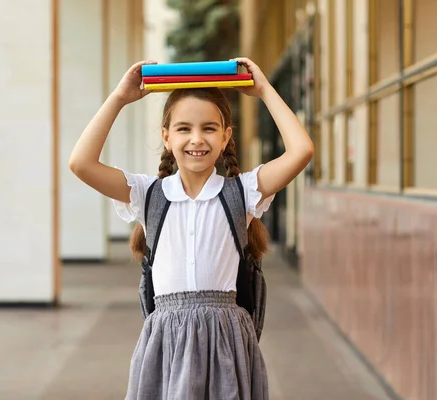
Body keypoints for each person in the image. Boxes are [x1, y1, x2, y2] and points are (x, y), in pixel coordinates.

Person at [69, 57, 314, 400]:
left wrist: (264, 91)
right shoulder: (147, 194)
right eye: (184, 128)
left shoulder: (242, 192)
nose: (196, 139)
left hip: (226, 340)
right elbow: (81, 163)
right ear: (166, 137)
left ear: (226, 136)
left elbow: (301, 150)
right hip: (166, 342)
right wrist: (119, 98)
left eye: (209, 128)